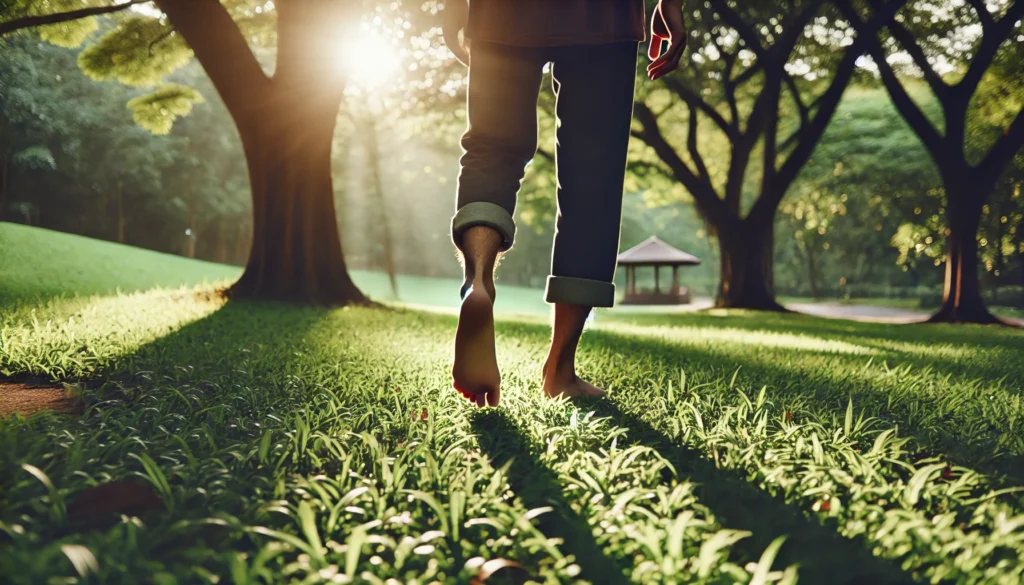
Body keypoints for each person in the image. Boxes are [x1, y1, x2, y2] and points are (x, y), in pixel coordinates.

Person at [444, 0, 687, 407]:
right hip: (606, 14)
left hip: (500, 12)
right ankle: (560, 369)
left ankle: (479, 280)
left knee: (491, 150)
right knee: (593, 176)